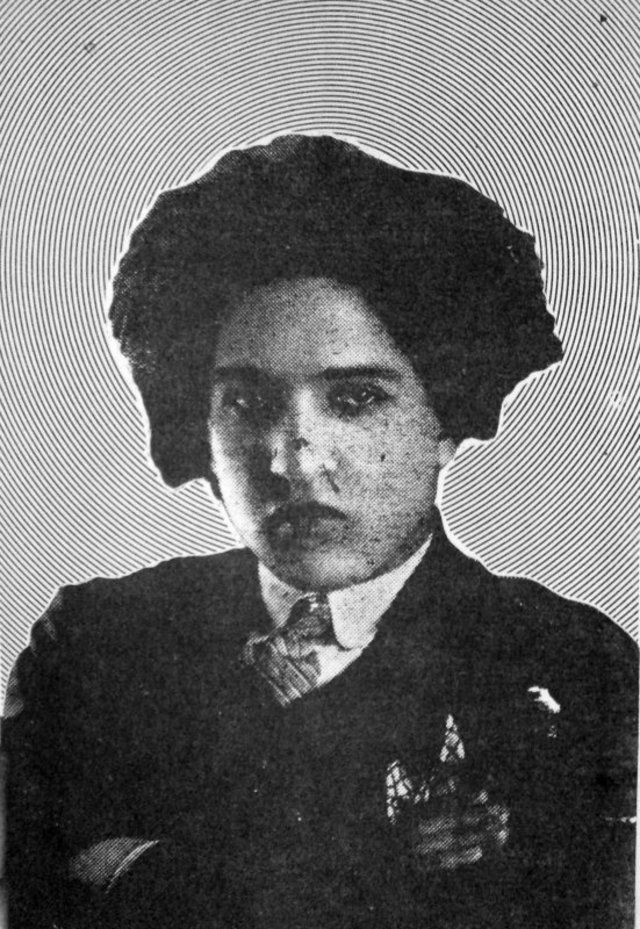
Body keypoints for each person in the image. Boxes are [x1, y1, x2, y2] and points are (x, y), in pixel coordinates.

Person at [2, 134, 636, 929]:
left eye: (355, 399)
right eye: (246, 402)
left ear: (446, 418)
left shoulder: (572, 665)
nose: (292, 458)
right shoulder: (95, 644)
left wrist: (143, 869)